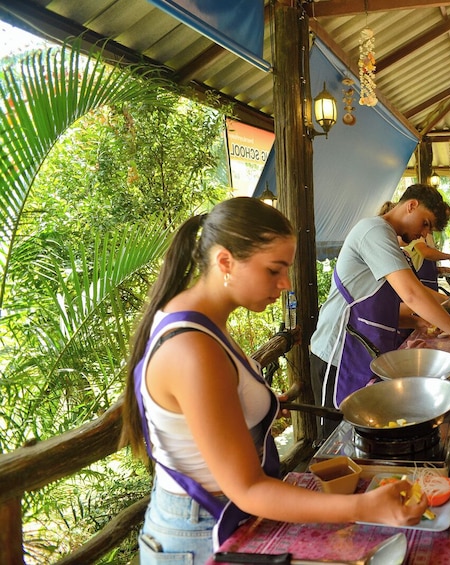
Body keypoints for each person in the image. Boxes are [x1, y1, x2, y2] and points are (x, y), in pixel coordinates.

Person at [121, 198, 428, 563]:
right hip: (201, 531)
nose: (285, 283)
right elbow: (248, 489)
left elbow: (209, 408)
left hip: (214, 518)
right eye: (273, 270)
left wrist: (257, 405)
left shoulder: (199, 321)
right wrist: (363, 507)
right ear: (225, 262)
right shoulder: (192, 349)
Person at [310, 184, 450, 433]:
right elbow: (412, 294)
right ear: (411, 205)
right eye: (425, 223)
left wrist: (416, 322)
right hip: (336, 352)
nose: (424, 234)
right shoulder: (373, 230)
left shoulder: (388, 239)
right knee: (335, 437)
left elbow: (385, 304)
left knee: (362, 431)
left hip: (361, 350)